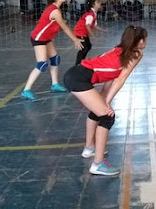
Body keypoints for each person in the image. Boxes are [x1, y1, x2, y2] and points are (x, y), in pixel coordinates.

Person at [63, 26, 147, 175]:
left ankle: (89, 149)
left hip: (75, 74)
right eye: (145, 39)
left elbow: (112, 76)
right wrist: (106, 103)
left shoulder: (119, 50)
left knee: (98, 111)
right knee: (107, 117)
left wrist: (104, 98)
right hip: (78, 79)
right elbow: (121, 79)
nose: (146, 42)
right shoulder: (136, 54)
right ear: (140, 41)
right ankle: (98, 164)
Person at [21, 0, 84, 100]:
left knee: (55, 59)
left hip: (47, 38)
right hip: (39, 39)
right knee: (41, 64)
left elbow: (56, 25)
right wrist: (75, 39)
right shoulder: (55, 11)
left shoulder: (56, 9)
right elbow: (64, 28)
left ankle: (54, 85)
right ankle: (26, 90)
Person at [74, 0, 107, 65]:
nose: (99, 3)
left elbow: (95, 25)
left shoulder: (94, 14)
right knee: (84, 48)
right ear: (93, 5)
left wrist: (103, 30)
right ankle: (78, 64)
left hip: (83, 33)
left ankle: (81, 61)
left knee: (88, 46)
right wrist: (94, 36)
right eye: (97, 2)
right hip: (80, 32)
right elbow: (87, 26)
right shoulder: (90, 15)